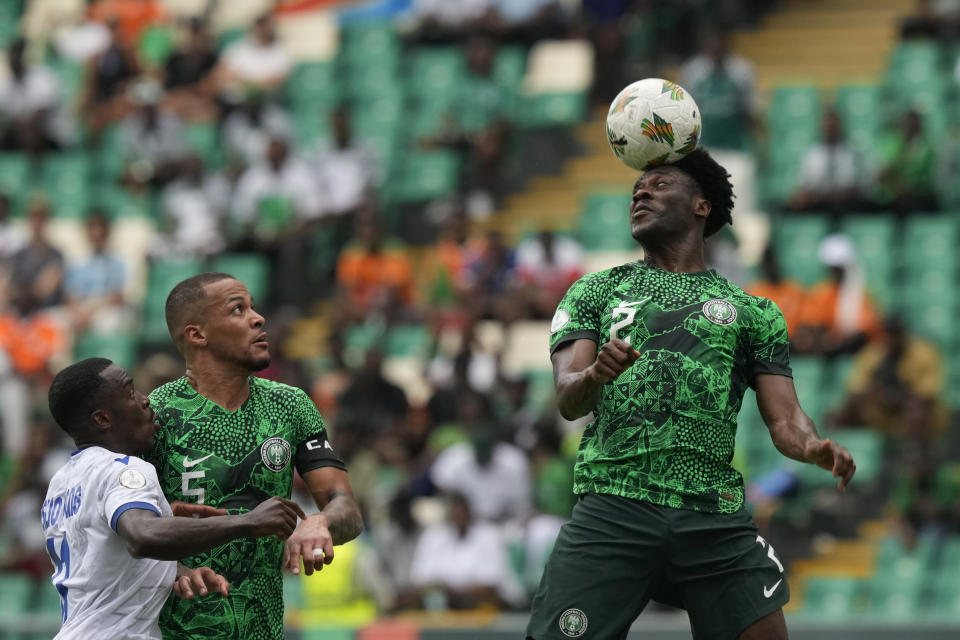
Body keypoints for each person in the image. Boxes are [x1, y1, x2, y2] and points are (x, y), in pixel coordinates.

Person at [525, 148, 856, 640]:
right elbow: (569, 399)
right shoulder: (593, 292)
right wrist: (595, 375)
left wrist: (810, 446)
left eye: (659, 184)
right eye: (638, 187)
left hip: (712, 513)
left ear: (702, 206)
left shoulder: (754, 312)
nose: (641, 191)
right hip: (615, 506)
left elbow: (786, 419)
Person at [149, 272, 363, 639]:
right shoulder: (156, 415)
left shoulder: (290, 405)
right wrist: (176, 569)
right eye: (237, 310)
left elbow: (348, 510)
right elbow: (131, 531)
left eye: (252, 306)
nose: (258, 318)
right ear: (197, 334)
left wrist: (321, 522)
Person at [43, 357, 307, 640]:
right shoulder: (124, 469)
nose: (145, 401)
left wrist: (173, 569)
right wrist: (248, 522)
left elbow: (102, 558)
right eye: (131, 393)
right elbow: (143, 536)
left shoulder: (62, 483)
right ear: (103, 419)